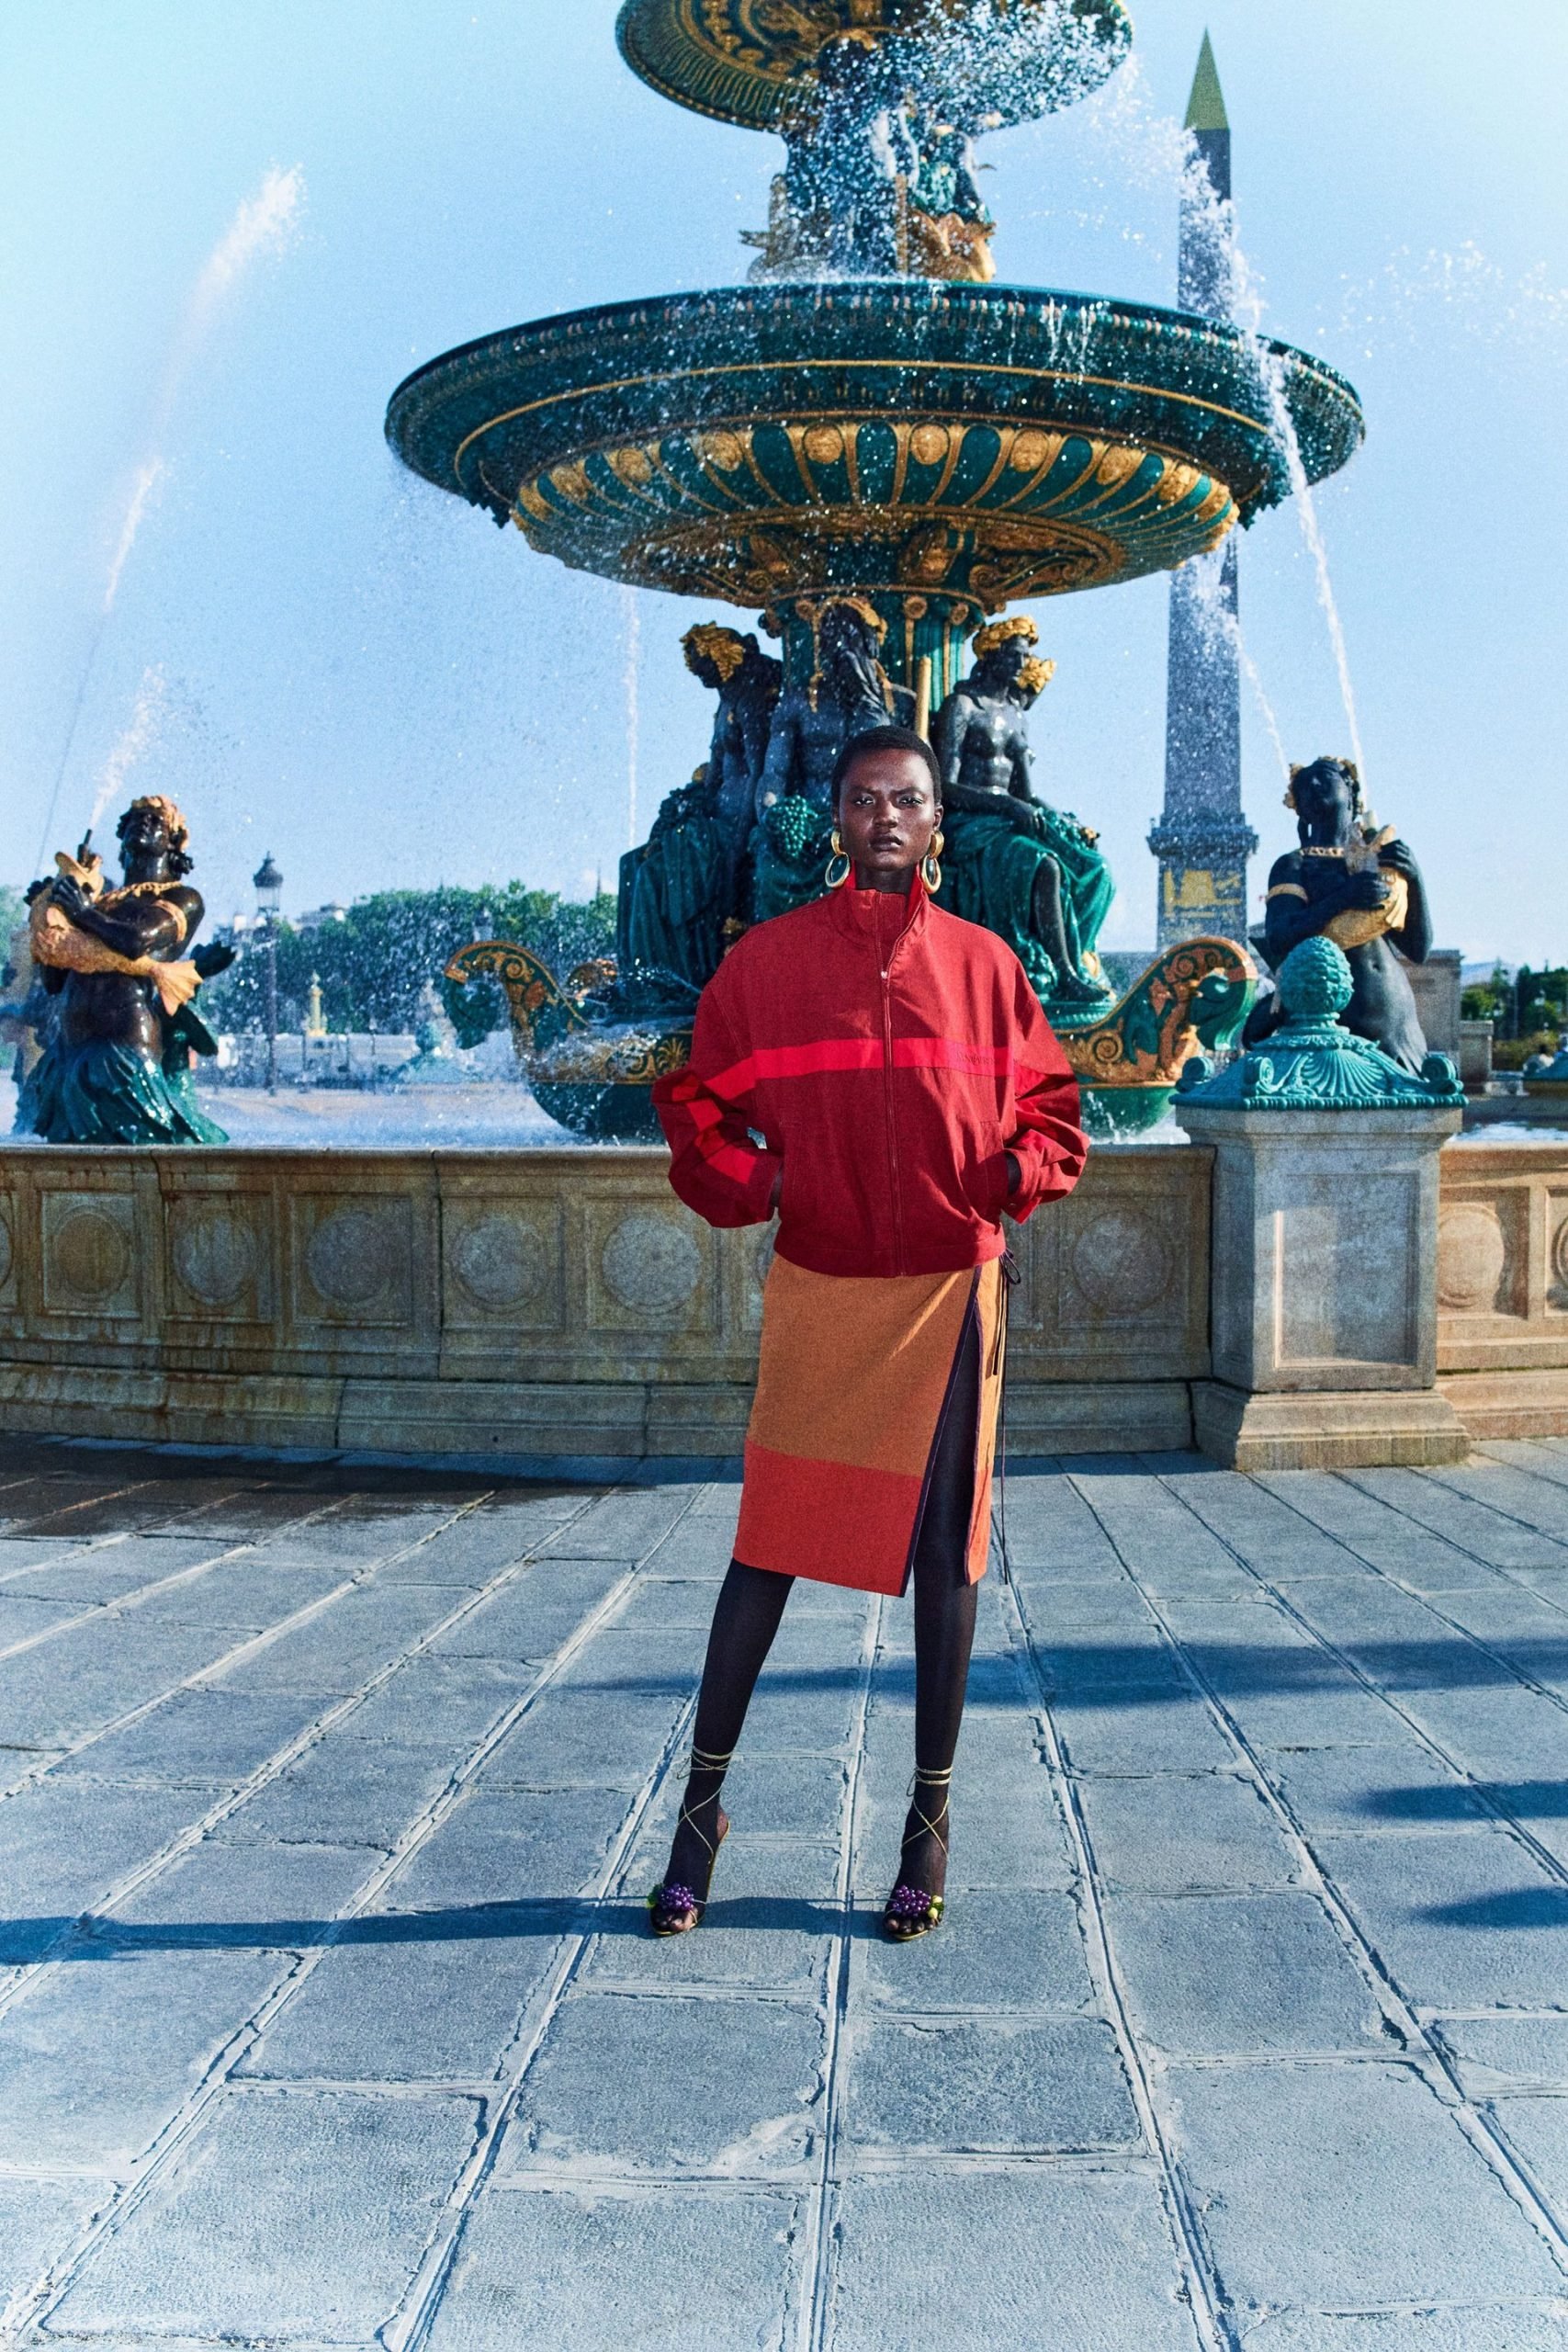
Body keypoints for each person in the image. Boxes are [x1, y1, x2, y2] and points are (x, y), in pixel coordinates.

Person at [651, 723, 1087, 1941]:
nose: (884, 817)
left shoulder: (986, 968)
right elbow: (695, 1111)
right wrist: (770, 1182)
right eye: (861, 798)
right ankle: (698, 1816)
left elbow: (1056, 1114)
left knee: (946, 1558)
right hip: (824, 1286)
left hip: (950, 1290)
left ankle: (926, 1823)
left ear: (936, 821)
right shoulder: (767, 969)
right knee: (765, 1550)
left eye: (906, 799)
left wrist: (1005, 1177)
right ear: (836, 817)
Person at [19, 796, 233, 1145]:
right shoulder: (101, 901)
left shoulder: (182, 897)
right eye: (135, 818)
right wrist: (47, 917)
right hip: (68, 1056)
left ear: (174, 843)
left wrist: (82, 913)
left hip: (120, 1054)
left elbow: (137, 940)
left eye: (156, 820)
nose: (143, 822)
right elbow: (55, 980)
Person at [934, 619, 1112, 1006]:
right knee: (1043, 864)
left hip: (1010, 817)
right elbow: (943, 787)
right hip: (969, 823)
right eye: (1015, 655)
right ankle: (1064, 975)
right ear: (991, 656)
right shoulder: (962, 707)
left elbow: (1025, 795)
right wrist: (1004, 804)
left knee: (1094, 868)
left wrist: (1066, 822)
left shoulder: (1016, 716)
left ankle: (1080, 959)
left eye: (1026, 656)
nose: (1022, 663)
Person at [1256, 756, 1432, 1073]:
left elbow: (1418, 950)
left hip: (1397, 1024)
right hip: (1336, 1028)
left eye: (1324, 777)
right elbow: (1280, 937)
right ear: (1300, 808)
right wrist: (1343, 898)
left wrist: (1416, 879)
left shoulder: (1377, 860)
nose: (1313, 784)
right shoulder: (1293, 865)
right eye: (1303, 784)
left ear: (1351, 792)